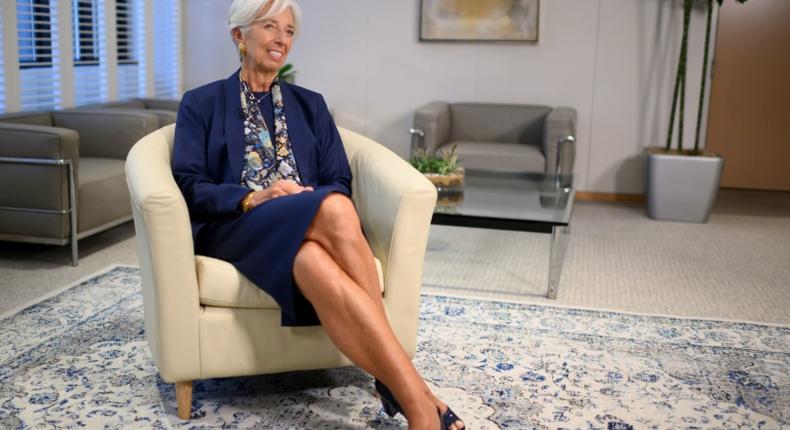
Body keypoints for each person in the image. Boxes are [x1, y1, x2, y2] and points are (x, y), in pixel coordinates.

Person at [172, 1, 465, 429]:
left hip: (304, 225)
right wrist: (254, 198)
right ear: (239, 36)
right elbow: (190, 183)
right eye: (269, 26)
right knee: (334, 207)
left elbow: (337, 179)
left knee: (316, 253)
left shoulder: (310, 105)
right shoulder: (201, 104)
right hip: (237, 227)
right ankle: (418, 401)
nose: (281, 39)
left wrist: (303, 200)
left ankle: (395, 384)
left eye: (289, 31)